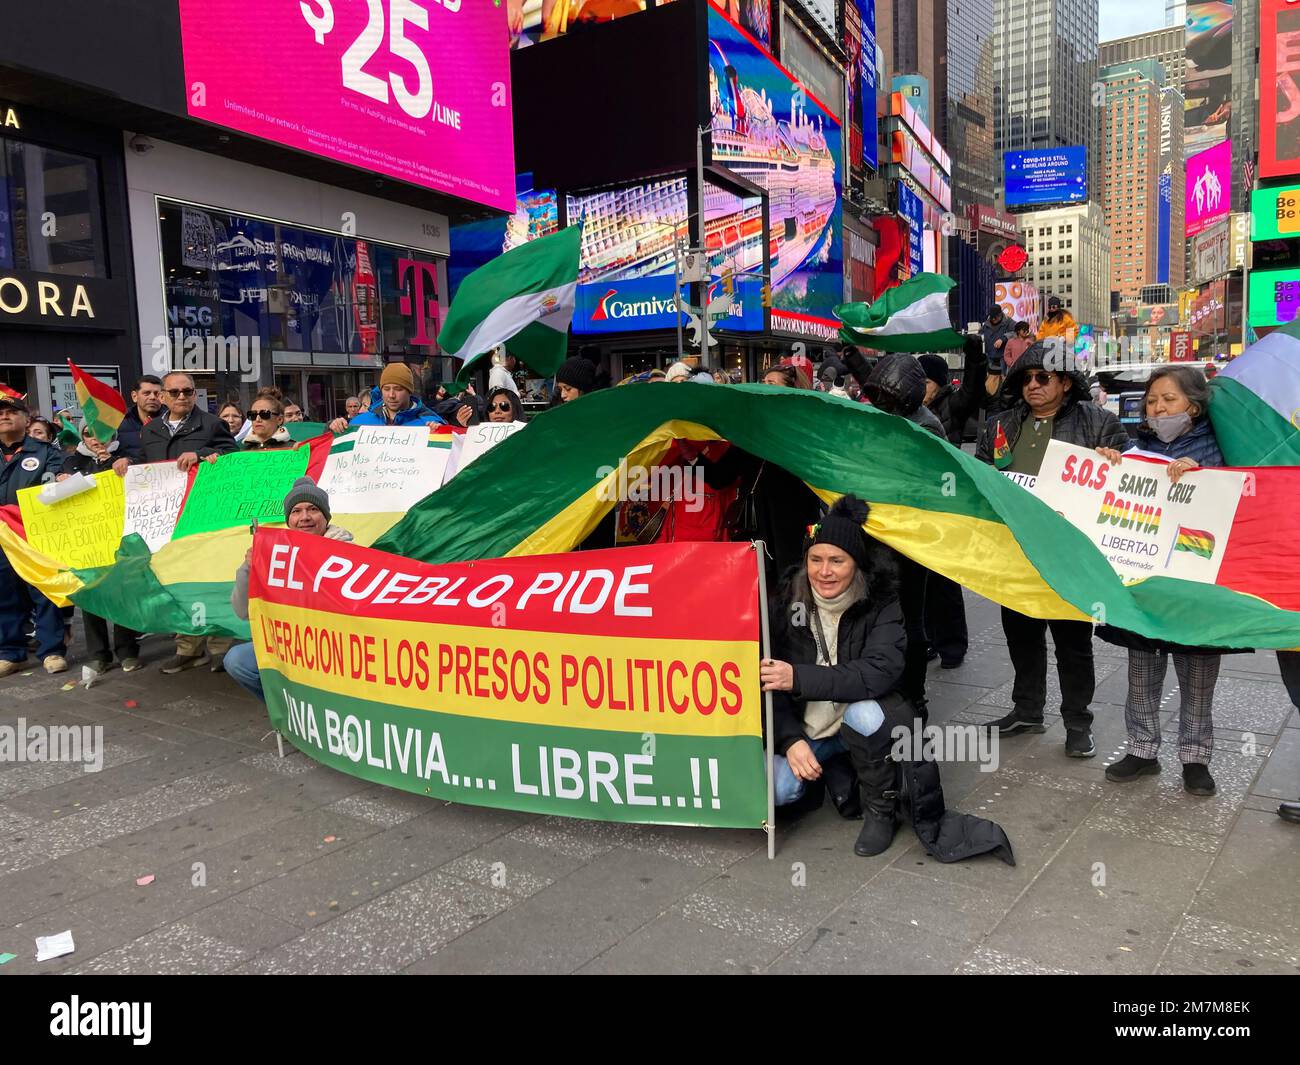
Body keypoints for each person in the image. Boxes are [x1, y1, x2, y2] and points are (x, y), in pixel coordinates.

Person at [976, 344, 1127, 757]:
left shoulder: (1099, 422)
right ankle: (1027, 710)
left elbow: (1129, 480)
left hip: (1071, 554)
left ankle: (1078, 722)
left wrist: (1116, 461)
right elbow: (983, 475)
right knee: (1021, 636)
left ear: (1065, 382)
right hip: (1017, 552)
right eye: (1025, 379)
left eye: (1042, 377)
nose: (1032, 385)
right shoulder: (999, 425)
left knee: (1073, 643)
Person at [1094, 367, 1228, 797]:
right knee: (1142, 668)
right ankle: (1142, 748)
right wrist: (1114, 465)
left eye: (1168, 400)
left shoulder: (1220, 449)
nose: (1158, 408)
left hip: (1196, 586)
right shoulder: (1138, 447)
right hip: (1146, 581)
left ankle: (1195, 757)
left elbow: (1238, 500)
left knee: (1197, 673)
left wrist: (1205, 477)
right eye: (1152, 401)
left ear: (1193, 404)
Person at [764, 496, 910, 855]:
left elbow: (877, 672)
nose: (824, 571)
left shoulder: (881, 603)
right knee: (777, 790)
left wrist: (797, 677)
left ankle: (881, 809)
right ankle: (826, 770)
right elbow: (765, 681)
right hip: (808, 728)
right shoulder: (785, 603)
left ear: (856, 565)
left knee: (866, 713)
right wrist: (788, 741)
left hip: (857, 724)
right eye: (815, 559)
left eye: (836, 561)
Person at [134, 371, 239, 673]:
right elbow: (144, 465)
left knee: (210, 579)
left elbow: (232, 455)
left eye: (188, 391)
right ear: (163, 396)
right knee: (178, 582)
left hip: (204, 518)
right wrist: (125, 462)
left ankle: (220, 647)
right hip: (166, 522)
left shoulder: (211, 423)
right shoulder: (151, 429)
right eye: (175, 392)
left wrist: (203, 453)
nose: (182, 397)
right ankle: (188, 647)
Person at [225, 478, 354, 703]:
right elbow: (242, 611)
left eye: (313, 509)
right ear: (289, 520)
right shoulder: (275, 555)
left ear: (326, 517)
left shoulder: (347, 552)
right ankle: (288, 713)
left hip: (333, 647)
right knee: (237, 660)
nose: (304, 517)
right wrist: (249, 568)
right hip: (288, 644)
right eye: (296, 511)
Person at [64, 426, 143, 672]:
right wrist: (59, 480)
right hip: (87, 539)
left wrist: (112, 464)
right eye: (88, 433)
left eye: (102, 432)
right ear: (82, 437)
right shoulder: (71, 462)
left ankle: (127, 650)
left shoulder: (129, 457)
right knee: (91, 593)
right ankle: (98, 654)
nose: (96, 438)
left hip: (121, 536)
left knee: (123, 592)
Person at [0, 394, 68, 676]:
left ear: (26, 420)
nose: (4, 416)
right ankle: (10, 652)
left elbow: (52, 485)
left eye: (11, 412)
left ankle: (51, 650)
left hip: (34, 534)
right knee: (4, 594)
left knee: (43, 591)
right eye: (0, 412)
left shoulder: (46, 452)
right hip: (1, 537)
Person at [329, 363, 444, 432]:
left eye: (398, 389)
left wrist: (440, 434)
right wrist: (335, 428)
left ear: (409, 391)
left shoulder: (430, 424)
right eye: (386, 389)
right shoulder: (359, 422)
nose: (391, 395)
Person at [115, 374, 163, 461]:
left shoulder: (173, 420)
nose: (152, 397)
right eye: (146, 393)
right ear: (134, 396)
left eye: (157, 394)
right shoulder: (118, 422)